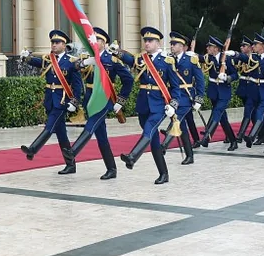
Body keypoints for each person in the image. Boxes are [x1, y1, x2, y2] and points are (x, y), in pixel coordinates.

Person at [113, 27, 181, 185]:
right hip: (144, 103)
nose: (147, 43)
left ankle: (132, 156)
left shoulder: (167, 61)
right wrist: (116, 52)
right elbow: (129, 60)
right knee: (154, 140)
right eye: (145, 40)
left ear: (158, 43)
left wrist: (173, 104)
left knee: (149, 129)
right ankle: (164, 173)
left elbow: (176, 87)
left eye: (150, 41)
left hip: (159, 105)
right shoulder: (141, 59)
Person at [19, 30, 83, 175]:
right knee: (61, 134)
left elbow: (78, 84)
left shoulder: (72, 61)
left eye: (57, 43)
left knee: (50, 126)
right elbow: (37, 62)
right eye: (52, 43)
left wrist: (75, 101)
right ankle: (71, 165)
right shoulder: (49, 59)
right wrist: (27, 58)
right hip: (50, 100)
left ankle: (33, 149)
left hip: (61, 102)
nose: (54, 45)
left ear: (64, 44)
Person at [73, 27, 132, 179]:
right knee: (101, 136)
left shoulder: (111, 59)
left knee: (91, 124)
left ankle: (73, 151)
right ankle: (111, 169)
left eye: (98, 40)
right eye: (93, 39)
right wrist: (86, 62)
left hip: (104, 98)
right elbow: (73, 67)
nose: (95, 42)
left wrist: (121, 100)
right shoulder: (88, 56)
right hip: (90, 98)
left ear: (104, 43)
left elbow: (128, 80)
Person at [159, 32, 206, 165]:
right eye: (171, 44)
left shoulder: (191, 60)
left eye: (174, 44)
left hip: (186, 97)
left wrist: (199, 99)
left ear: (182, 46)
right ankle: (189, 156)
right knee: (183, 128)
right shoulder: (168, 59)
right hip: (173, 97)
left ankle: (164, 145)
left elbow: (200, 81)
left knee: (176, 119)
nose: (172, 46)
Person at [198, 37, 239, 150]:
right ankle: (233, 141)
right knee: (222, 118)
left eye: (210, 46)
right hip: (213, 91)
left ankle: (207, 136)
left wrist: (227, 77)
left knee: (217, 111)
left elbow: (235, 75)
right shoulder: (208, 58)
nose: (207, 48)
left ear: (216, 48)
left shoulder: (226, 58)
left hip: (224, 91)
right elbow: (198, 58)